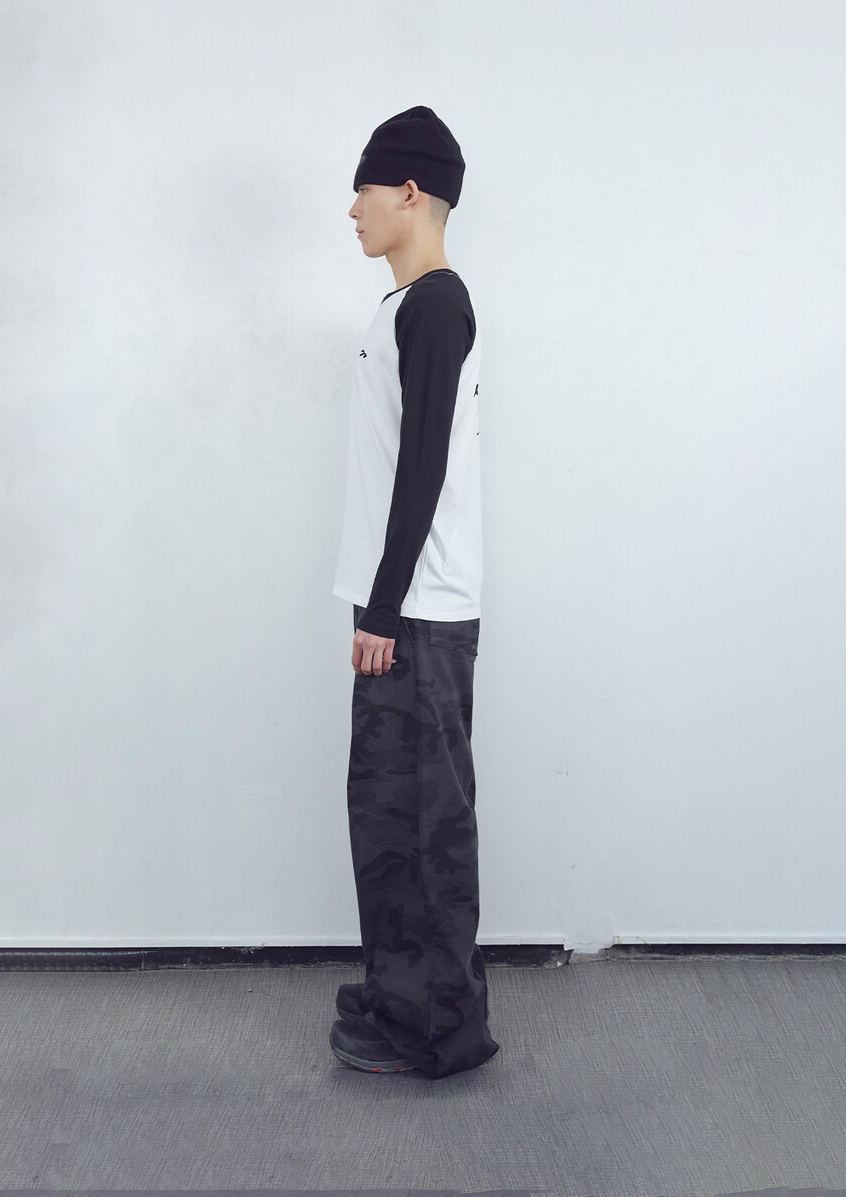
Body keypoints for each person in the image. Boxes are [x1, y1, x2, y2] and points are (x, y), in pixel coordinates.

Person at [328, 106, 500, 1079]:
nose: (351, 210)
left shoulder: (434, 305)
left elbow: (422, 465)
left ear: (408, 191)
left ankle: (440, 1029)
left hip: (420, 612)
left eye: (362, 190)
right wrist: (375, 603)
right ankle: (403, 995)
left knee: (426, 822)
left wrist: (386, 610)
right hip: (398, 606)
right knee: (387, 815)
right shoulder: (405, 307)